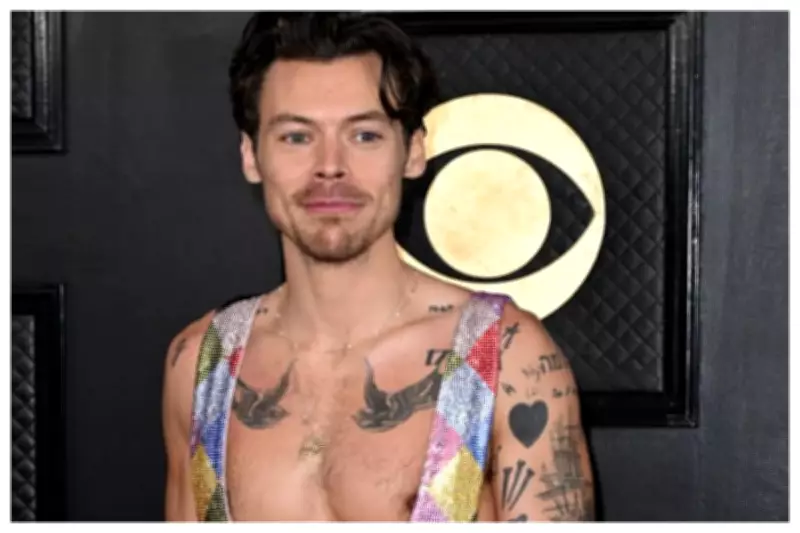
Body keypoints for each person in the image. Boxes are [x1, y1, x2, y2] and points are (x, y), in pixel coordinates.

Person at [161, 11, 594, 522]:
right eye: (296, 137)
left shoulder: (509, 359)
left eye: (364, 135)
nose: (330, 166)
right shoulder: (201, 364)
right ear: (251, 156)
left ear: (413, 151)